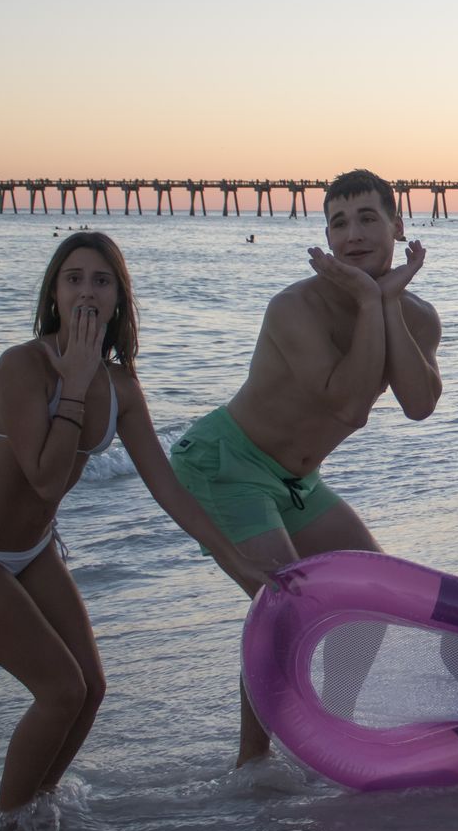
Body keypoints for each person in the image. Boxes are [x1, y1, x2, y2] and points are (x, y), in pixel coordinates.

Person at [0, 233, 270, 831]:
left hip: (33, 550)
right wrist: (75, 385)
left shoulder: (123, 388)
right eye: (74, 278)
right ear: (54, 295)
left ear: (118, 300)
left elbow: (167, 488)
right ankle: (6, 829)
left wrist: (237, 562)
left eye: (101, 281)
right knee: (61, 690)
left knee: (92, 687)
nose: (87, 291)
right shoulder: (21, 365)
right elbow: (44, 480)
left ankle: (39, 807)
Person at [170, 169, 442, 763]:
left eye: (368, 218)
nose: (353, 234)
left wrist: (387, 303)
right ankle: (253, 765)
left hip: (295, 481)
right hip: (226, 463)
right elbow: (348, 404)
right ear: (326, 238)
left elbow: (420, 405)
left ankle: (331, 725)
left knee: (372, 601)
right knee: (284, 608)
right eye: (339, 223)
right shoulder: (294, 307)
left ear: (398, 225)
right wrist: (370, 300)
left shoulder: (418, 317)